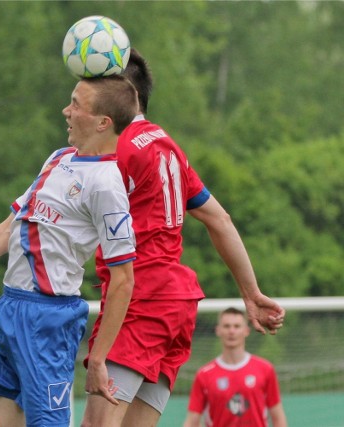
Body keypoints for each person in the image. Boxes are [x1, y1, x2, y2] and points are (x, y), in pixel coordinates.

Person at [0, 75, 140, 427]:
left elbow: (124, 280)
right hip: (10, 308)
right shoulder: (58, 158)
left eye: (76, 105)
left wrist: (97, 360)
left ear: (102, 122)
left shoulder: (107, 185)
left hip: (50, 320)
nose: (66, 111)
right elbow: (8, 228)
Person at [80, 49, 285, 427]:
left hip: (140, 300)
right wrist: (250, 293)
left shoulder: (118, 146)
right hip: (175, 307)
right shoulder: (166, 144)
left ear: (122, 93)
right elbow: (218, 218)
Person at [182, 307, 288, 427]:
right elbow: (192, 421)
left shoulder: (265, 369)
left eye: (237, 326)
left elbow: (278, 417)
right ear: (218, 330)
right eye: (227, 326)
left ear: (246, 331)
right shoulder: (204, 374)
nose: (231, 331)